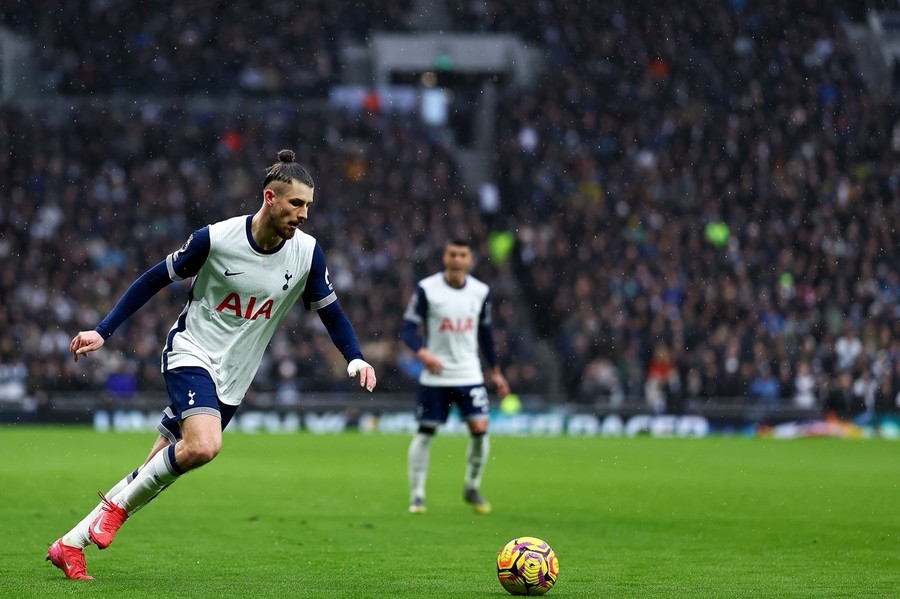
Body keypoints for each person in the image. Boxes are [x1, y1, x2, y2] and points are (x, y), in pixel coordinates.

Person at [47, 149, 377, 580]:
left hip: (234, 379)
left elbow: (331, 312)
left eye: (309, 206)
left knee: (157, 470)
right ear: (270, 198)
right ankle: (115, 512)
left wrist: (355, 356)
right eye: (297, 203)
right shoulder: (216, 239)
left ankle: (70, 544)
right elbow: (154, 278)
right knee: (204, 447)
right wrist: (103, 331)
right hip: (191, 352)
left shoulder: (308, 253)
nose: (304, 214)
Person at [400, 239, 510, 515]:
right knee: (425, 433)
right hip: (436, 375)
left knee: (480, 431)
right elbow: (408, 329)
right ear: (445, 258)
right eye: (453, 254)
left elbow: (485, 334)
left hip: (469, 374)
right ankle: (417, 495)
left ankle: (472, 486)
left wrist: (496, 372)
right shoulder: (427, 289)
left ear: (471, 260)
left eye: (463, 255)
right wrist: (423, 353)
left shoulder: (480, 292)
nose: (457, 259)